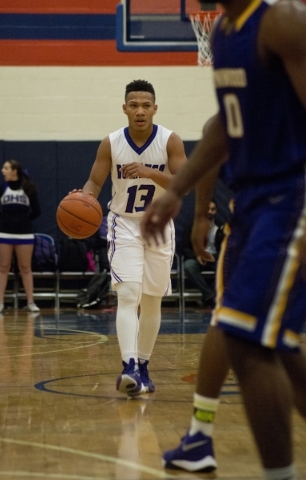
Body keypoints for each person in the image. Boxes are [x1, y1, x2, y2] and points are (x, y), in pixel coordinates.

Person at [141, 1, 306, 479]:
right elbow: (225, 130)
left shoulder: (282, 23)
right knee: (281, 349)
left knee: (243, 336)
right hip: (252, 205)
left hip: (290, 197)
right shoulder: (224, 34)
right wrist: (177, 189)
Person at [80, 79, 187, 397]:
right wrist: (83, 198)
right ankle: (128, 367)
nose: (140, 111)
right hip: (124, 224)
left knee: (152, 300)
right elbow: (94, 184)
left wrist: (150, 171)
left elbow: (182, 183)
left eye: (146, 105)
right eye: (134, 105)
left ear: (155, 108)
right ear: (124, 108)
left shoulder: (170, 141)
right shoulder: (111, 143)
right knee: (128, 295)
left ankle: (143, 365)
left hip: (158, 225)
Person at [0, 160, 41, 313]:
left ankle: (30, 302)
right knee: (3, 268)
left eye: (5, 168)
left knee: (25, 268)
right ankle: (0, 303)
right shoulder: (1, 188)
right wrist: (6, 220)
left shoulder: (28, 189)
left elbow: (37, 211)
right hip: (3, 233)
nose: (2, 171)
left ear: (14, 170)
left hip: (24, 234)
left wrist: (22, 221)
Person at [181, 200, 224, 308]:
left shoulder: (221, 227)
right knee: (188, 266)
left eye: (212, 209)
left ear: (216, 211)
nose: (209, 211)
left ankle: (214, 296)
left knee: (227, 268)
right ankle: (210, 296)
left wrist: (214, 257)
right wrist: (197, 255)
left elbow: (226, 247)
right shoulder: (192, 226)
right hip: (197, 258)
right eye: (207, 209)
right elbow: (184, 247)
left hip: (214, 258)